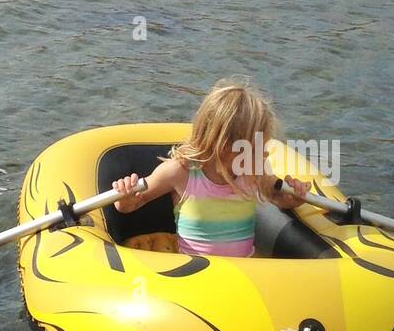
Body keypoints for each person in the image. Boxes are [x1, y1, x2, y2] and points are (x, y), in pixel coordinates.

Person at [112, 80, 309, 257]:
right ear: (225, 147)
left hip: (247, 267)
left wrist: (295, 198)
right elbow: (135, 203)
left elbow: (277, 198)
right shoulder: (180, 173)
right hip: (201, 271)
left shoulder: (253, 172)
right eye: (258, 148)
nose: (264, 155)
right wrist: (124, 199)